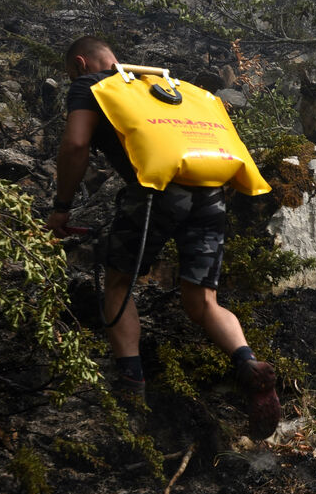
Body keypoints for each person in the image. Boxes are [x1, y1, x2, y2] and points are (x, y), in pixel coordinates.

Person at [46, 36, 281, 439]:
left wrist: (61, 207)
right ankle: (247, 364)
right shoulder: (163, 85)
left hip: (156, 193)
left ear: (81, 64)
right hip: (210, 190)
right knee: (203, 300)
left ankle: (131, 388)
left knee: (119, 284)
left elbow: (76, 144)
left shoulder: (90, 84)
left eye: (72, 73)